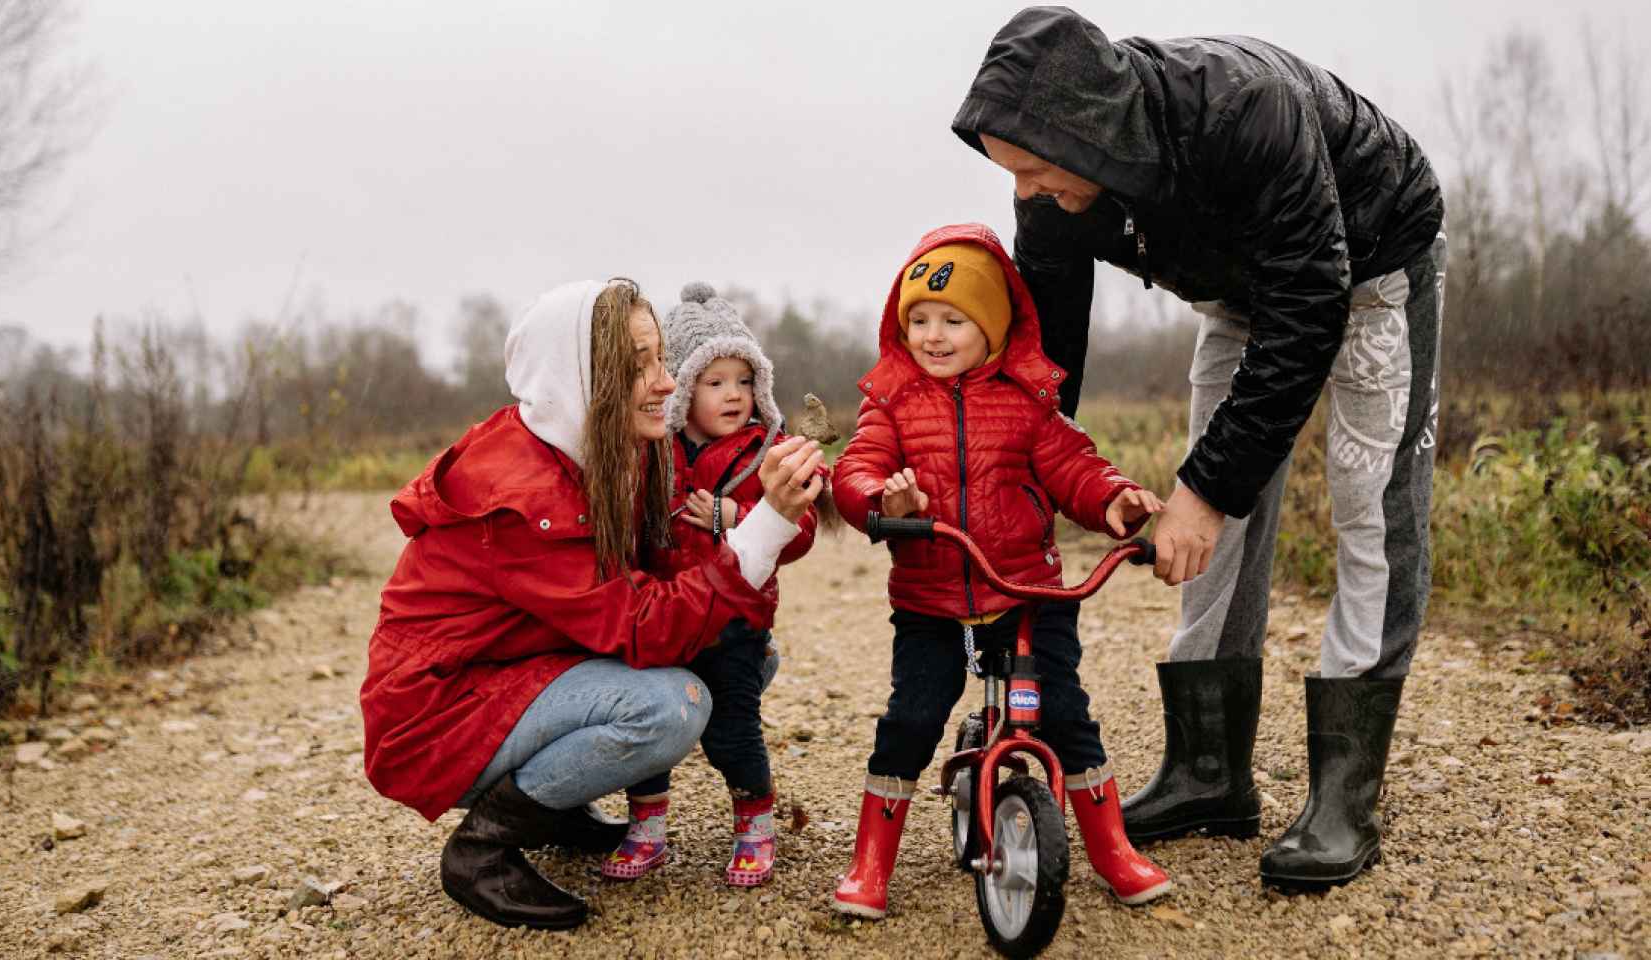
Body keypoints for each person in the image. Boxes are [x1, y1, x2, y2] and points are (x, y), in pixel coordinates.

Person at [952, 8, 1446, 888]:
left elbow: (1309, 310)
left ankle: (1344, 797)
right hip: (1243, 289)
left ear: (1089, 131)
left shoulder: (1243, 110)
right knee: (1197, 525)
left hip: (1370, 257)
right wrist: (1019, 477)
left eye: (1030, 170)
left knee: (1365, 503)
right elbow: (1048, 362)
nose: (1021, 193)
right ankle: (1209, 773)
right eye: (1008, 173)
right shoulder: (1051, 185)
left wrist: (1210, 489)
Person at [359, 279, 824, 930]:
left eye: (662, 358)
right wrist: (765, 524)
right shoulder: (525, 498)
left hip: (511, 676)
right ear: (581, 376)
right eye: (640, 364)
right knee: (673, 705)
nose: (668, 383)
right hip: (438, 723)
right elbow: (644, 626)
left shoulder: (591, 451)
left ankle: (558, 807)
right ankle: (482, 849)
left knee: (745, 659)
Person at [828, 223, 1172, 920]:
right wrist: (880, 499)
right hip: (931, 596)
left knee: (1064, 715)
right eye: (918, 319)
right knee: (913, 717)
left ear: (993, 326)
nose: (932, 334)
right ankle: (871, 862)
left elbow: (1075, 465)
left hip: (1027, 595)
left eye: (953, 319)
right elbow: (855, 468)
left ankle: (1112, 850)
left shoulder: (1027, 401)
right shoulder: (892, 405)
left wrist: (1114, 499)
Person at [602, 282, 823, 887]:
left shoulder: (767, 452)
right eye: (715, 381)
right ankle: (646, 825)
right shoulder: (655, 452)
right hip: (664, 610)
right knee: (650, 737)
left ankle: (755, 821)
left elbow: (799, 536)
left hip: (735, 623)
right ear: (682, 389)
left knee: (732, 729)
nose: (734, 395)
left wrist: (738, 518)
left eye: (744, 381)